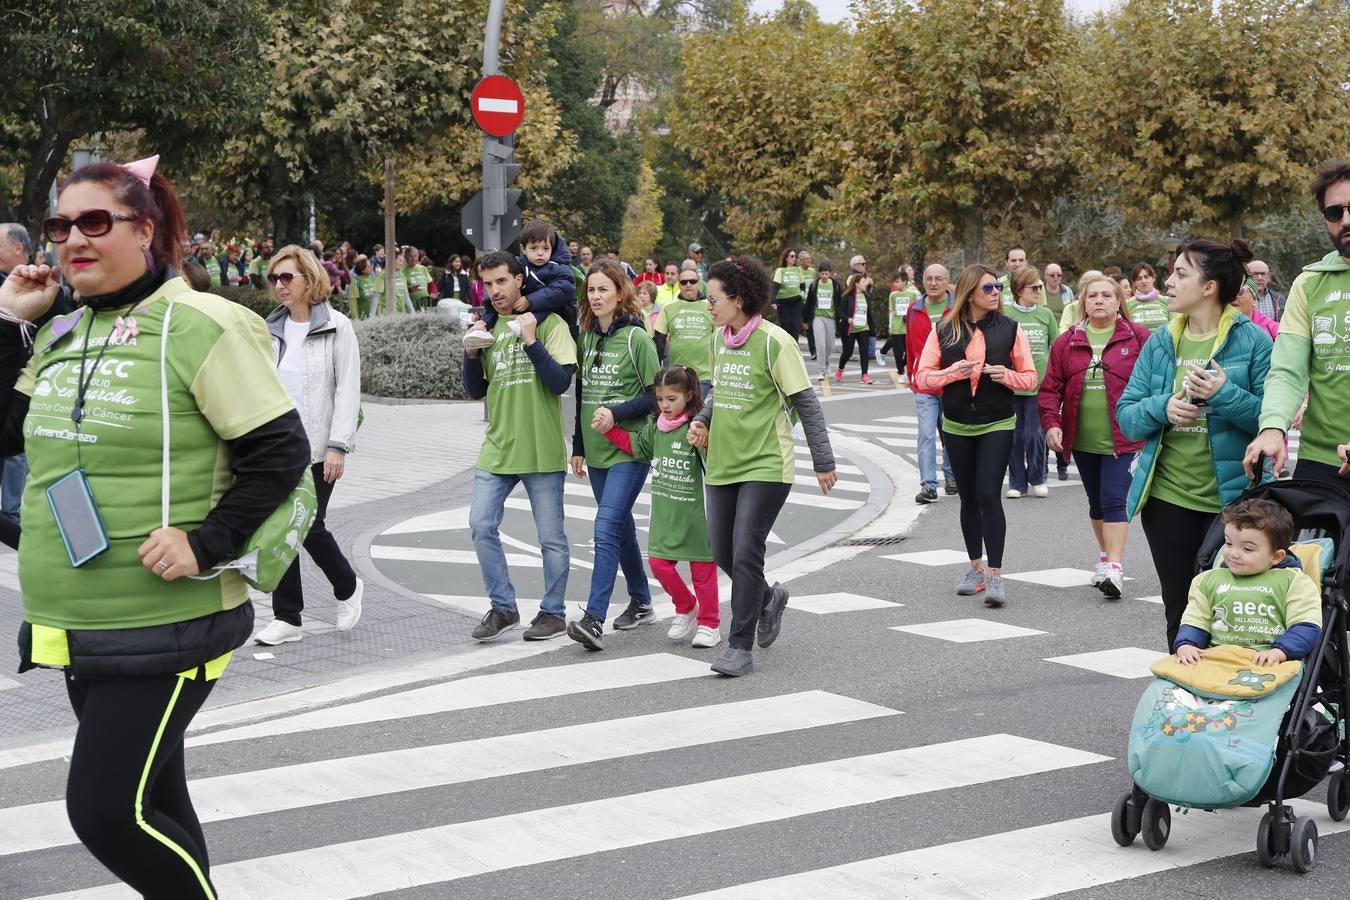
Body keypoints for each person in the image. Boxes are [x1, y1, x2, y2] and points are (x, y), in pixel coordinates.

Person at [2, 156, 309, 897]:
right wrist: (11, 320)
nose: (73, 238)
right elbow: (7, 434)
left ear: (146, 229)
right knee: (156, 801)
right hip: (76, 618)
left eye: (95, 221)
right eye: (60, 225)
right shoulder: (64, 330)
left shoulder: (201, 324)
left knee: (105, 812)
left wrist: (205, 540)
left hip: (166, 621)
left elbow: (281, 451)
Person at [1118, 237, 1271, 649]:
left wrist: (1224, 394)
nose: (1169, 282)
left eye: (1180, 273)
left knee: (1230, 612)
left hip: (1235, 501)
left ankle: (1229, 708)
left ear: (1209, 287)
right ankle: (1186, 706)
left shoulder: (1253, 340)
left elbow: (1269, 421)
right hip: (1167, 501)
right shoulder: (1160, 341)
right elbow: (1127, 418)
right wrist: (1163, 407)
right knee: (1181, 610)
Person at [688, 256, 837, 677]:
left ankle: (740, 647)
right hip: (723, 462)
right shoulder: (719, 340)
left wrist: (823, 461)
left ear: (738, 299)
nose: (707, 305)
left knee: (746, 551)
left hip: (766, 464)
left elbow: (806, 402)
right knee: (723, 552)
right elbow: (719, 390)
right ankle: (769, 598)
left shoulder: (776, 342)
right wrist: (701, 419)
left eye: (713, 298)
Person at [463, 251, 576, 642]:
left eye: (502, 282)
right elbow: (476, 390)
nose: (495, 291)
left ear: (519, 280)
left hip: (541, 449)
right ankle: (503, 607)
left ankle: (553, 612)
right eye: (488, 284)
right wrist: (472, 353)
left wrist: (531, 341)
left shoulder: (551, 323)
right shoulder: (488, 327)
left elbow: (561, 383)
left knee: (551, 538)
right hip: (497, 448)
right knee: (480, 524)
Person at [255, 246, 364, 646]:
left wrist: (339, 445)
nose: (280, 286)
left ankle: (347, 585)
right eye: (275, 279)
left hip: (319, 446)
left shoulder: (337, 326)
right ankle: (287, 617)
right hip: (277, 447)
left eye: (287, 277)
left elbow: (347, 389)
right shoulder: (270, 329)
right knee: (279, 527)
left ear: (309, 279)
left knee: (309, 525)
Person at [915, 265, 1039, 608]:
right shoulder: (943, 330)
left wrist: (1007, 377)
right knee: (968, 498)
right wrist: (951, 373)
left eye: (998, 286)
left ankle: (996, 574)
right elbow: (922, 377)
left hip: (997, 422)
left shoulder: (1010, 329)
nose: (997, 291)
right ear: (971, 293)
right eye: (989, 287)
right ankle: (975, 569)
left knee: (988, 494)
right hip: (956, 424)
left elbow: (1030, 378)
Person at [1039, 275, 1151, 598]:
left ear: (1119, 302)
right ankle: (1104, 556)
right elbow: (1050, 389)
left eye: (1106, 295)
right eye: (1092, 296)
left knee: (1116, 499)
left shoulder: (1138, 337)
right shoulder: (1066, 342)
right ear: (1083, 302)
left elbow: (1155, 380)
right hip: (1083, 439)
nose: (1098, 300)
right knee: (1097, 502)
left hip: (1124, 437)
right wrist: (1051, 423)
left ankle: (1114, 568)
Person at [568, 260, 660, 650]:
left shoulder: (637, 338)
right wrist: (578, 445)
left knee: (605, 528)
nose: (596, 296)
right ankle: (641, 601)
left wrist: (617, 414)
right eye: (591, 290)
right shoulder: (586, 336)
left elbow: (657, 397)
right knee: (618, 527)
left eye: (604, 289)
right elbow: (583, 393)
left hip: (630, 448)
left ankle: (594, 618)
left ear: (620, 292)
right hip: (598, 453)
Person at [1245, 160, 1350, 490]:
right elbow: (1287, 370)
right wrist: (1273, 427)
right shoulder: (1309, 283)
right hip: (1322, 462)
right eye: (1335, 213)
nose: (1346, 220)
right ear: (1325, 220)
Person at [603, 366, 721, 649]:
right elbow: (637, 446)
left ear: (689, 395)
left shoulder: (697, 427)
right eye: (660, 399)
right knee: (659, 564)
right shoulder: (656, 428)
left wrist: (705, 441)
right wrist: (610, 430)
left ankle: (709, 623)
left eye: (672, 399)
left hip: (697, 513)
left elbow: (717, 458)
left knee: (702, 572)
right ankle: (686, 606)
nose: (665, 405)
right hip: (665, 514)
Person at [1174, 498, 1320, 667]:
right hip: (1216, 660)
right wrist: (1186, 644)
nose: (1233, 554)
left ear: (1276, 556)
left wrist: (1280, 651)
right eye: (1228, 543)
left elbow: (1305, 625)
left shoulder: (1294, 582)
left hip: (1269, 662)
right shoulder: (1208, 581)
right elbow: (1196, 620)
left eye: (1247, 549)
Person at [1003, 266, 1059, 498]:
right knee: (1014, 435)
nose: (1038, 290)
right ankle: (1017, 483)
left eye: (1039, 287)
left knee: (1035, 434)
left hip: (1040, 386)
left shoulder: (1045, 315)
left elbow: (1055, 348)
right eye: (1033, 287)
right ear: (1018, 290)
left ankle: (1038, 477)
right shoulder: (1006, 315)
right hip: (1012, 387)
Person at [907, 264, 957, 501]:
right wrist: (911, 374)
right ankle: (928, 485)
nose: (933, 283)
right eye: (929, 279)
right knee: (926, 434)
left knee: (950, 433)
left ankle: (951, 476)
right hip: (925, 385)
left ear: (948, 281)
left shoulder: (958, 307)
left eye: (939, 279)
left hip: (952, 382)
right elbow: (909, 346)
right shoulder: (914, 309)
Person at [653, 265, 714, 395]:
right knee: (679, 415)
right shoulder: (668, 308)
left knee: (697, 414)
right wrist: (657, 371)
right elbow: (658, 341)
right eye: (684, 282)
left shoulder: (710, 307)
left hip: (704, 376)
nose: (688, 285)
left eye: (693, 281)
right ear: (679, 285)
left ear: (699, 284)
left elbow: (721, 340)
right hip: (676, 375)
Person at [805, 262, 843, 381]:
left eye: (826, 274)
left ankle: (826, 362)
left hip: (831, 318)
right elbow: (809, 303)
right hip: (818, 317)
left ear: (830, 273)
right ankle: (821, 370)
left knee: (830, 345)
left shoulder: (836, 285)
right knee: (820, 345)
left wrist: (841, 316)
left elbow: (840, 302)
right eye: (822, 274)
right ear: (819, 274)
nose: (824, 276)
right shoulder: (815, 285)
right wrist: (806, 319)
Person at [836, 272, 876, 384]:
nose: (865, 283)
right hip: (850, 328)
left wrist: (872, 330)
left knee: (864, 351)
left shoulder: (866, 296)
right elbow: (839, 312)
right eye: (863, 281)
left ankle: (865, 375)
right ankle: (840, 369)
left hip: (864, 328)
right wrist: (848, 319)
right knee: (848, 352)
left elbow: (869, 314)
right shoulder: (847, 296)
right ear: (857, 284)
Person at [883, 268, 920, 379]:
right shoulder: (893, 295)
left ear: (905, 281)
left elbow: (917, 310)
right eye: (895, 281)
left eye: (898, 281)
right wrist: (890, 326)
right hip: (896, 327)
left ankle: (907, 367)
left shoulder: (913, 294)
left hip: (909, 328)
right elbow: (891, 311)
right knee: (897, 352)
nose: (896, 284)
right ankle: (901, 373)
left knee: (909, 352)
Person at [771, 247, 806, 345]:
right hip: (783, 301)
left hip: (796, 301)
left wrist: (801, 296)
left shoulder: (798, 270)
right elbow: (776, 287)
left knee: (796, 327)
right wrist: (773, 301)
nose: (794, 258)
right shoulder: (781, 270)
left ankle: (794, 347)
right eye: (792, 256)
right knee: (786, 326)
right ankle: (785, 346)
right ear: (786, 258)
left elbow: (803, 286)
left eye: (795, 256)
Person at [1126, 262, 1170, 332]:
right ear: (1134, 282)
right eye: (1139, 278)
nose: (1143, 281)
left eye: (1146, 277)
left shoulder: (1167, 301)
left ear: (1153, 278)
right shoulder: (1127, 304)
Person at [799, 250, 818, 359]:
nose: (809, 261)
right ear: (801, 261)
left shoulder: (812, 271)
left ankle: (814, 351)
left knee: (810, 326)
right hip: (800, 302)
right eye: (807, 259)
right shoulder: (797, 271)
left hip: (810, 302)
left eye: (810, 259)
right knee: (798, 326)